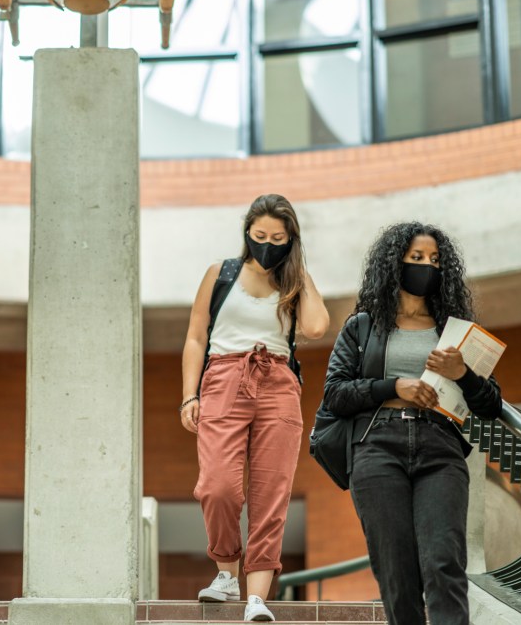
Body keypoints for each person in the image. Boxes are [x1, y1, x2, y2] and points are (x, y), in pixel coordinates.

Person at [322, 222, 503, 625]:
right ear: (394, 264)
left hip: (440, 449)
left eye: (435, 260)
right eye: (416, 258)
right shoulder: (363, 327)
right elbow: (335, 393)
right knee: (397, 573)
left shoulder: (455, 331)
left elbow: (490, 404)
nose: (427, 266)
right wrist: (394, 386)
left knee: (443, 562)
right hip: (376, 448)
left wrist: (464, 373)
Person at [180, 194, 330, 623]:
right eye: (259, 235)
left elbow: (318, 327)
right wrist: (190, 395)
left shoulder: (292, 281)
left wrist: (298, 268)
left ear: (290, 239)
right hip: (224, 378)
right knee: (217, 486)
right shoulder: (221, 273)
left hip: (278, 381)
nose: (267, 243)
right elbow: (195, 338)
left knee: (272, 492)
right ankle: (226, 573)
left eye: (278, 238)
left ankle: (257, 597)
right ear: (247, 233)